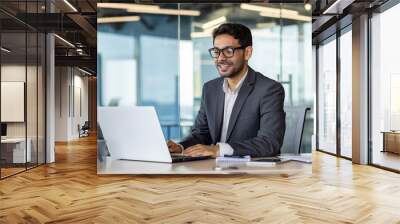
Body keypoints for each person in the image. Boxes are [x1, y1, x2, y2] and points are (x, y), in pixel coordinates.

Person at [167, 23, 285, 158]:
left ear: (247, 53)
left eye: (228, 51)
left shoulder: (269, 89)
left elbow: (269, 143)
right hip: (212, 170)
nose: (220, 58)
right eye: (217, 51)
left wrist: (218, 150)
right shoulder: (210, 89)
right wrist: (180, 147)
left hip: (248, 173)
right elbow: (201, 134)